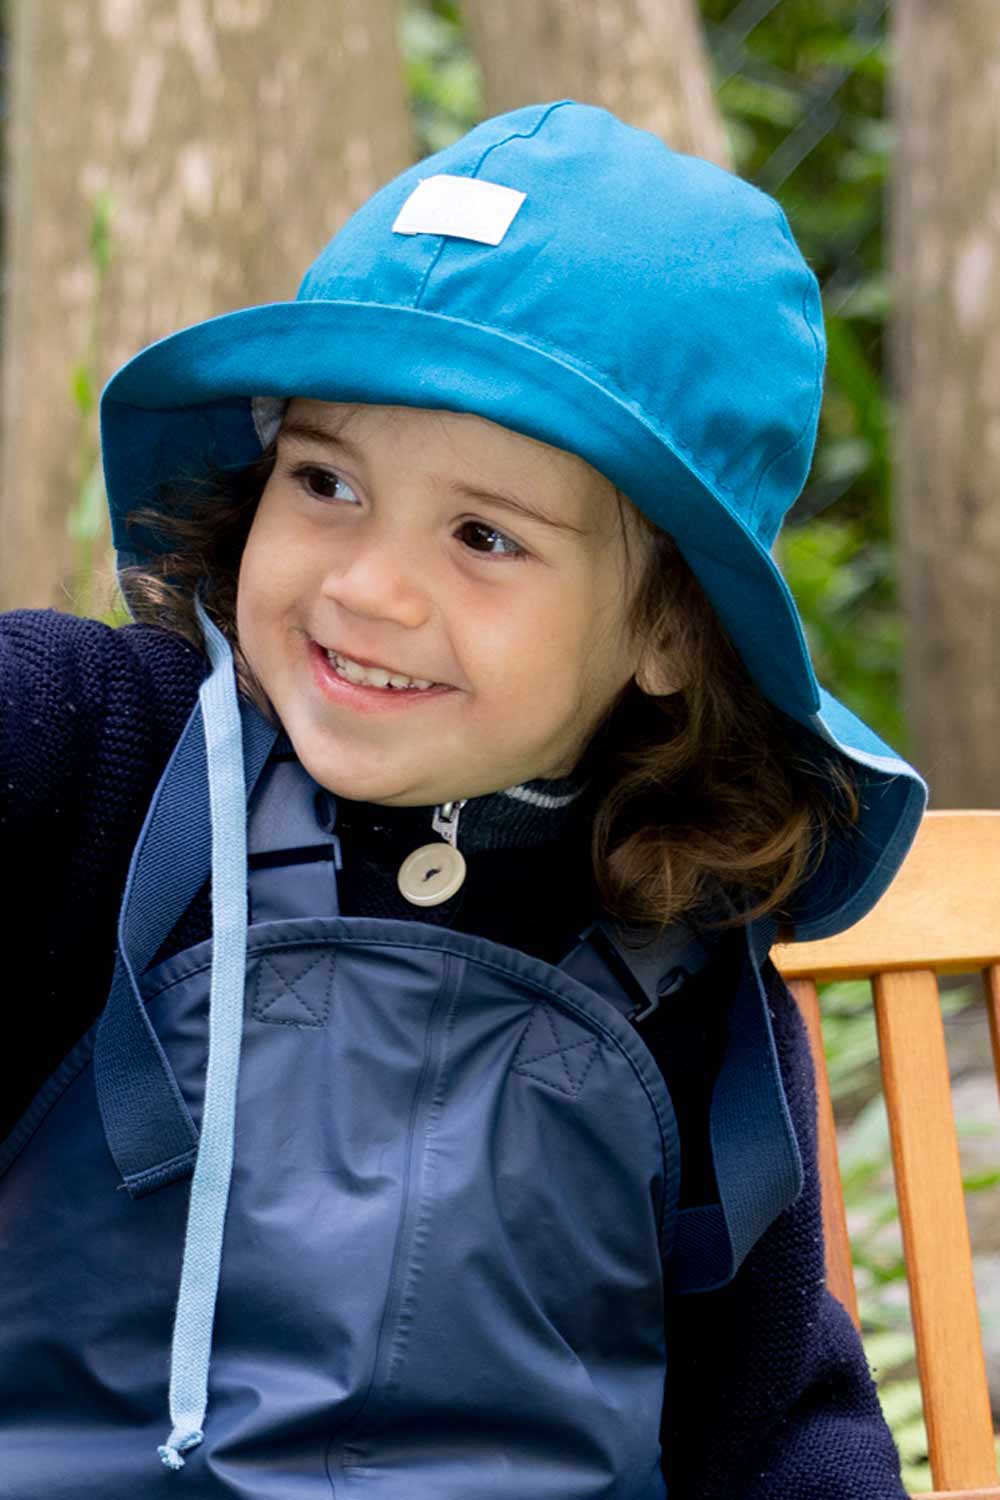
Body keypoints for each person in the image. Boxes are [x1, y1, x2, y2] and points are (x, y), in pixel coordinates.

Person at [0, 100, 926, 1498]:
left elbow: (769, 1412)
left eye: (485, 535)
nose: (369, 586)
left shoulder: (681, 944)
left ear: (674, 634)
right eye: (326, 481)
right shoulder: (95, 752)